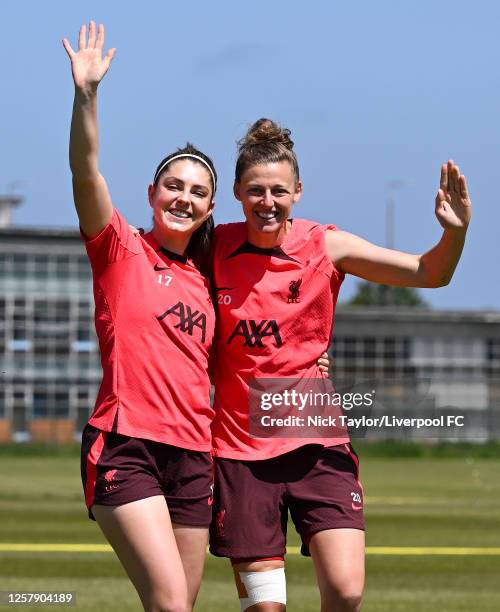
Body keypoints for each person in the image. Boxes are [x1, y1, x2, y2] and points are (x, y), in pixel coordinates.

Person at [209, 118, 472, 611]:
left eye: (279, 191)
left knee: (347, 591)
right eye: (256, 191)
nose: (268, 201)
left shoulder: (325, 246)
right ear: (238, 194)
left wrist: (453, 235)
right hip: (241, 453)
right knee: (265, 609)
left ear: (299, 192)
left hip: (317, 445)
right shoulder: (214, 248)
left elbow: (430, 273)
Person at [63, 22, 217, 612]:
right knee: (172, 603)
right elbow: (84, 168)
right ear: (152, 193)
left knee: (176, 607)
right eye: (173, 185)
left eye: (197, 192)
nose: (183, 197)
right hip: (127, 446)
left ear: (208, 209)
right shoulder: (120, 248)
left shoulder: (210, 282)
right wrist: (86, 95)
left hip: (193, 456)